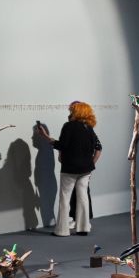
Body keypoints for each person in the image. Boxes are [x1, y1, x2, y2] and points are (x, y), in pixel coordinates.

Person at [37, 101, 102, 236]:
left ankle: (62, 230)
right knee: (83, 197)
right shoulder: (89, 128)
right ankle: (83, 228)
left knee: (65, 199)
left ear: (76, 112)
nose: (70, 112)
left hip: (70, 168)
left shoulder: (68, 126)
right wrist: (90, 163)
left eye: (71, 110)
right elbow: (96, 147)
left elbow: (62, 145)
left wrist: (46, 137)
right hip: (86, 169)